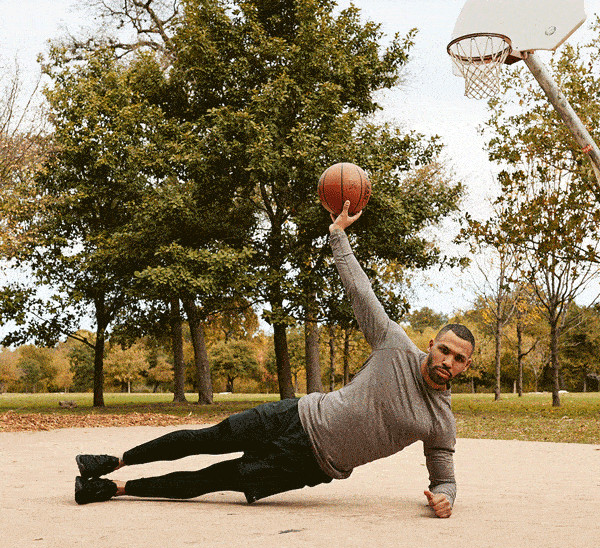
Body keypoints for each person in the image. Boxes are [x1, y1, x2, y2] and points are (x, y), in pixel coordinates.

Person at [74, 200, 474, 518]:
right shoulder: (394, 344)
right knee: (207, 439)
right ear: (431, 344)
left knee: (212, 479)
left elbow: (444, 477)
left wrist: (443, 498)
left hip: (308, 464)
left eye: (458, 358)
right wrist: (337, 235)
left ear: (465, 366)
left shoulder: (440, 421)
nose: (448, 361)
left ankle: (113, 490)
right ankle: (114, 462)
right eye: (444, 349)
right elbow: (360, 291)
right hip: (296, 414)